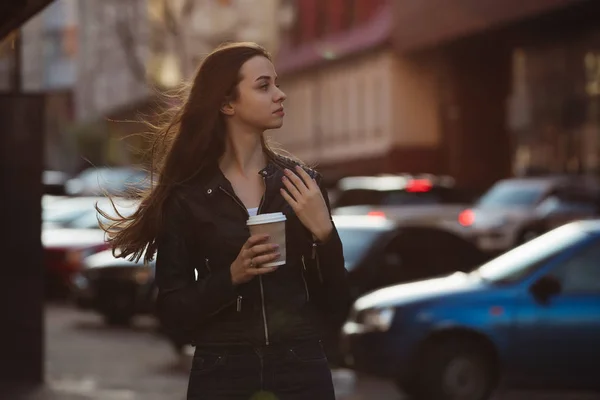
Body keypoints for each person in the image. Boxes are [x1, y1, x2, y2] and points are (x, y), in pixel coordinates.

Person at [100, 42, 351, 399]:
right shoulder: (187, 197)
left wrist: (325, 235)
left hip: (300, 366)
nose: (280, 95)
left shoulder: (303, 185)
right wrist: (232, 276)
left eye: (276, 83)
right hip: (222, 370)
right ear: (227, 103)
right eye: (264, 86)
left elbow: (338, 303)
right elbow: (172, 315)